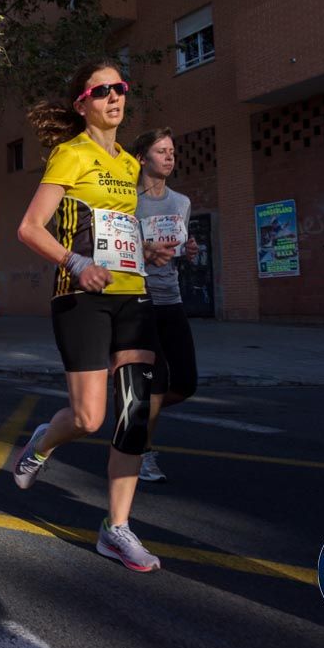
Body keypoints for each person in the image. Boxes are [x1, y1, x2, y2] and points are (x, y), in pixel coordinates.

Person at [13, 58, 178, 573]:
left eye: (120, 88)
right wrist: (76, 263)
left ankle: (117, 528)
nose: (115, 97)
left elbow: (115, 229)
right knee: (89, 418)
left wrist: (146, 251)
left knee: (134, 413)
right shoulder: (71, 154)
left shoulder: (130, 164)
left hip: (132, 294)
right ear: (83, 103)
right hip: (79, 296)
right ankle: (44, 441)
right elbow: (30, 227)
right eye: (102, 90)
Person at [132, 128, 200, 483]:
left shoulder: (181, 203)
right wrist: (143, 252)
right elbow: (114, 249)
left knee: (185, 383)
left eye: (172, 151)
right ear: (142, 159)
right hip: (140, 299)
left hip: (172, 298)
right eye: (161, 151)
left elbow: (180, 246)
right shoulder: (129, 201)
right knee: (156, 380)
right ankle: (142, 452)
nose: (170, 157)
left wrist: (189, 251)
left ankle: (135, 414)